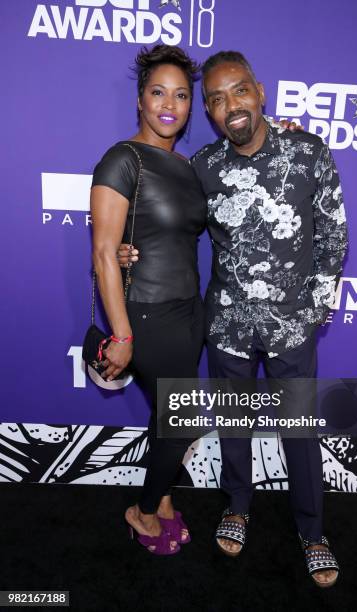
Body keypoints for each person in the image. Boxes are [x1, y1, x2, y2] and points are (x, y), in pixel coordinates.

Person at [120, 50, 347, 586]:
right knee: (236, 427)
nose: (230, 106)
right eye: (217, 100)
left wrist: (312, 313)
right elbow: (167, 221)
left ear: (260, 92)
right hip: (227, 325)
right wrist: (128, 252)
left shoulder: (308, 150)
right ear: (211, 112)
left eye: (239, 91)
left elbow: (334, 234)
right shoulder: (204, 167)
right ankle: (237, 508)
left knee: (298, 430)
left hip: (293, 326)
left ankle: (313, 533)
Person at [90, 44, 207, 555]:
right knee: (181, 421)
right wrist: (121, 334)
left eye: (181, 95)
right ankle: (140, 510)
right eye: (158, 91)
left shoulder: (188, 166)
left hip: (188, 313)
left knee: (169, 422)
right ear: (140, 99)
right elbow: (102, 253)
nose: (169, 104)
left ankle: (160, 501)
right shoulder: (123, 158)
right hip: (146, 315)